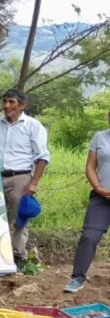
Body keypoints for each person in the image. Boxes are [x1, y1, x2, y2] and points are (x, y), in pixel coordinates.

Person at [0, 88, 49, 268]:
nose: (7, 106)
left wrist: (34, 183)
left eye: (12, 102)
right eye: (5, 101)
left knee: (19, 219)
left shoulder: (33, 126)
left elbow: (42, 157)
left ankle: (18, 256)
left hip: (20, 177)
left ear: (22, 105)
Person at [65, 115, 110, 292]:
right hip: (101, 197)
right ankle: (77, 278)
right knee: (89, 236)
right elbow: (90, 166)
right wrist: (98, 187)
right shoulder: (100, 137)